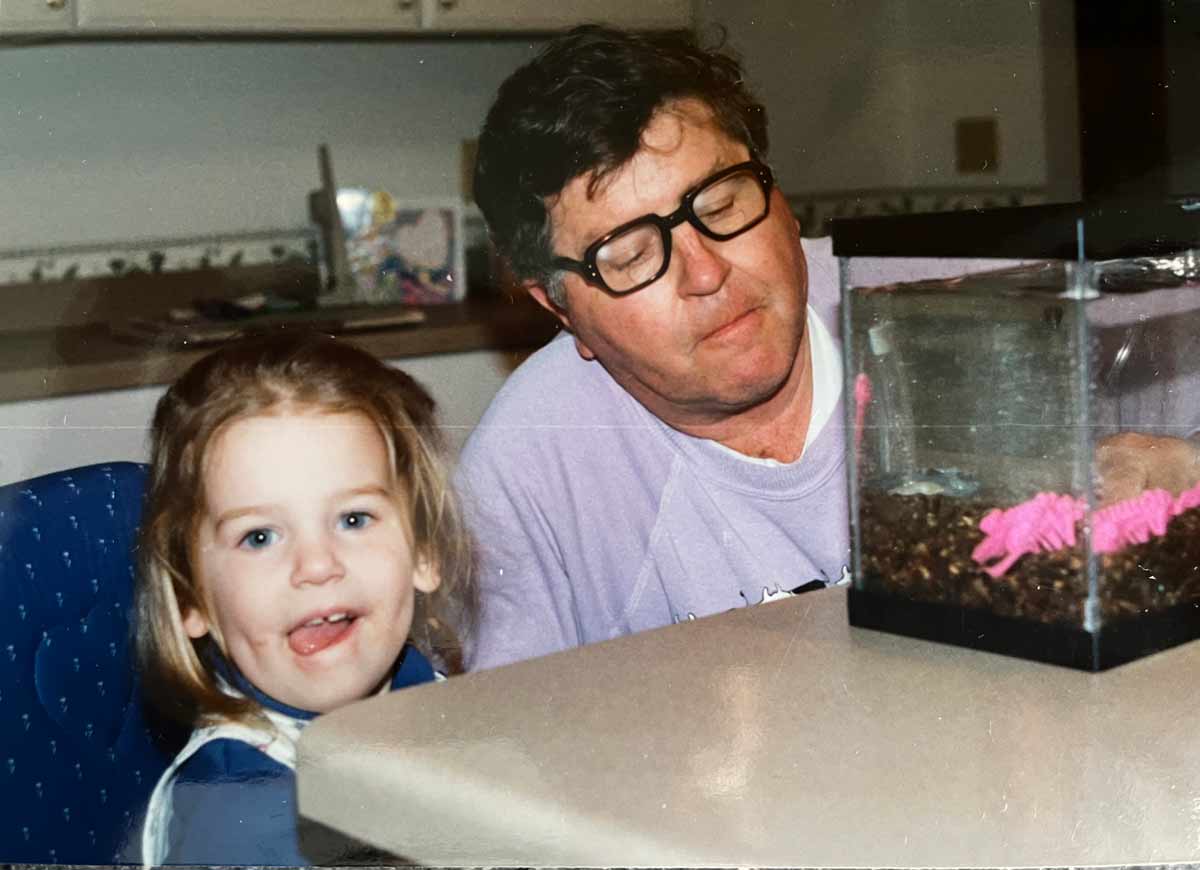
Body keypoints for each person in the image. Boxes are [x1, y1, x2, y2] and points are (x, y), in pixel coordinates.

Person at [458, 24, 1200, 672]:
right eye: (628, 257)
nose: (708, 272)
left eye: (722, 203)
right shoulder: (531, 463)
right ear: (556, 304)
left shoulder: (980, 296)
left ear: (781, 193)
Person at [134, 331, 476, 866]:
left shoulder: (426, 696)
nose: (317, 566)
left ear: (424, 553)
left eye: (353, 519)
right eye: (260, 537)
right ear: (190, 597)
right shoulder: (245, 823)